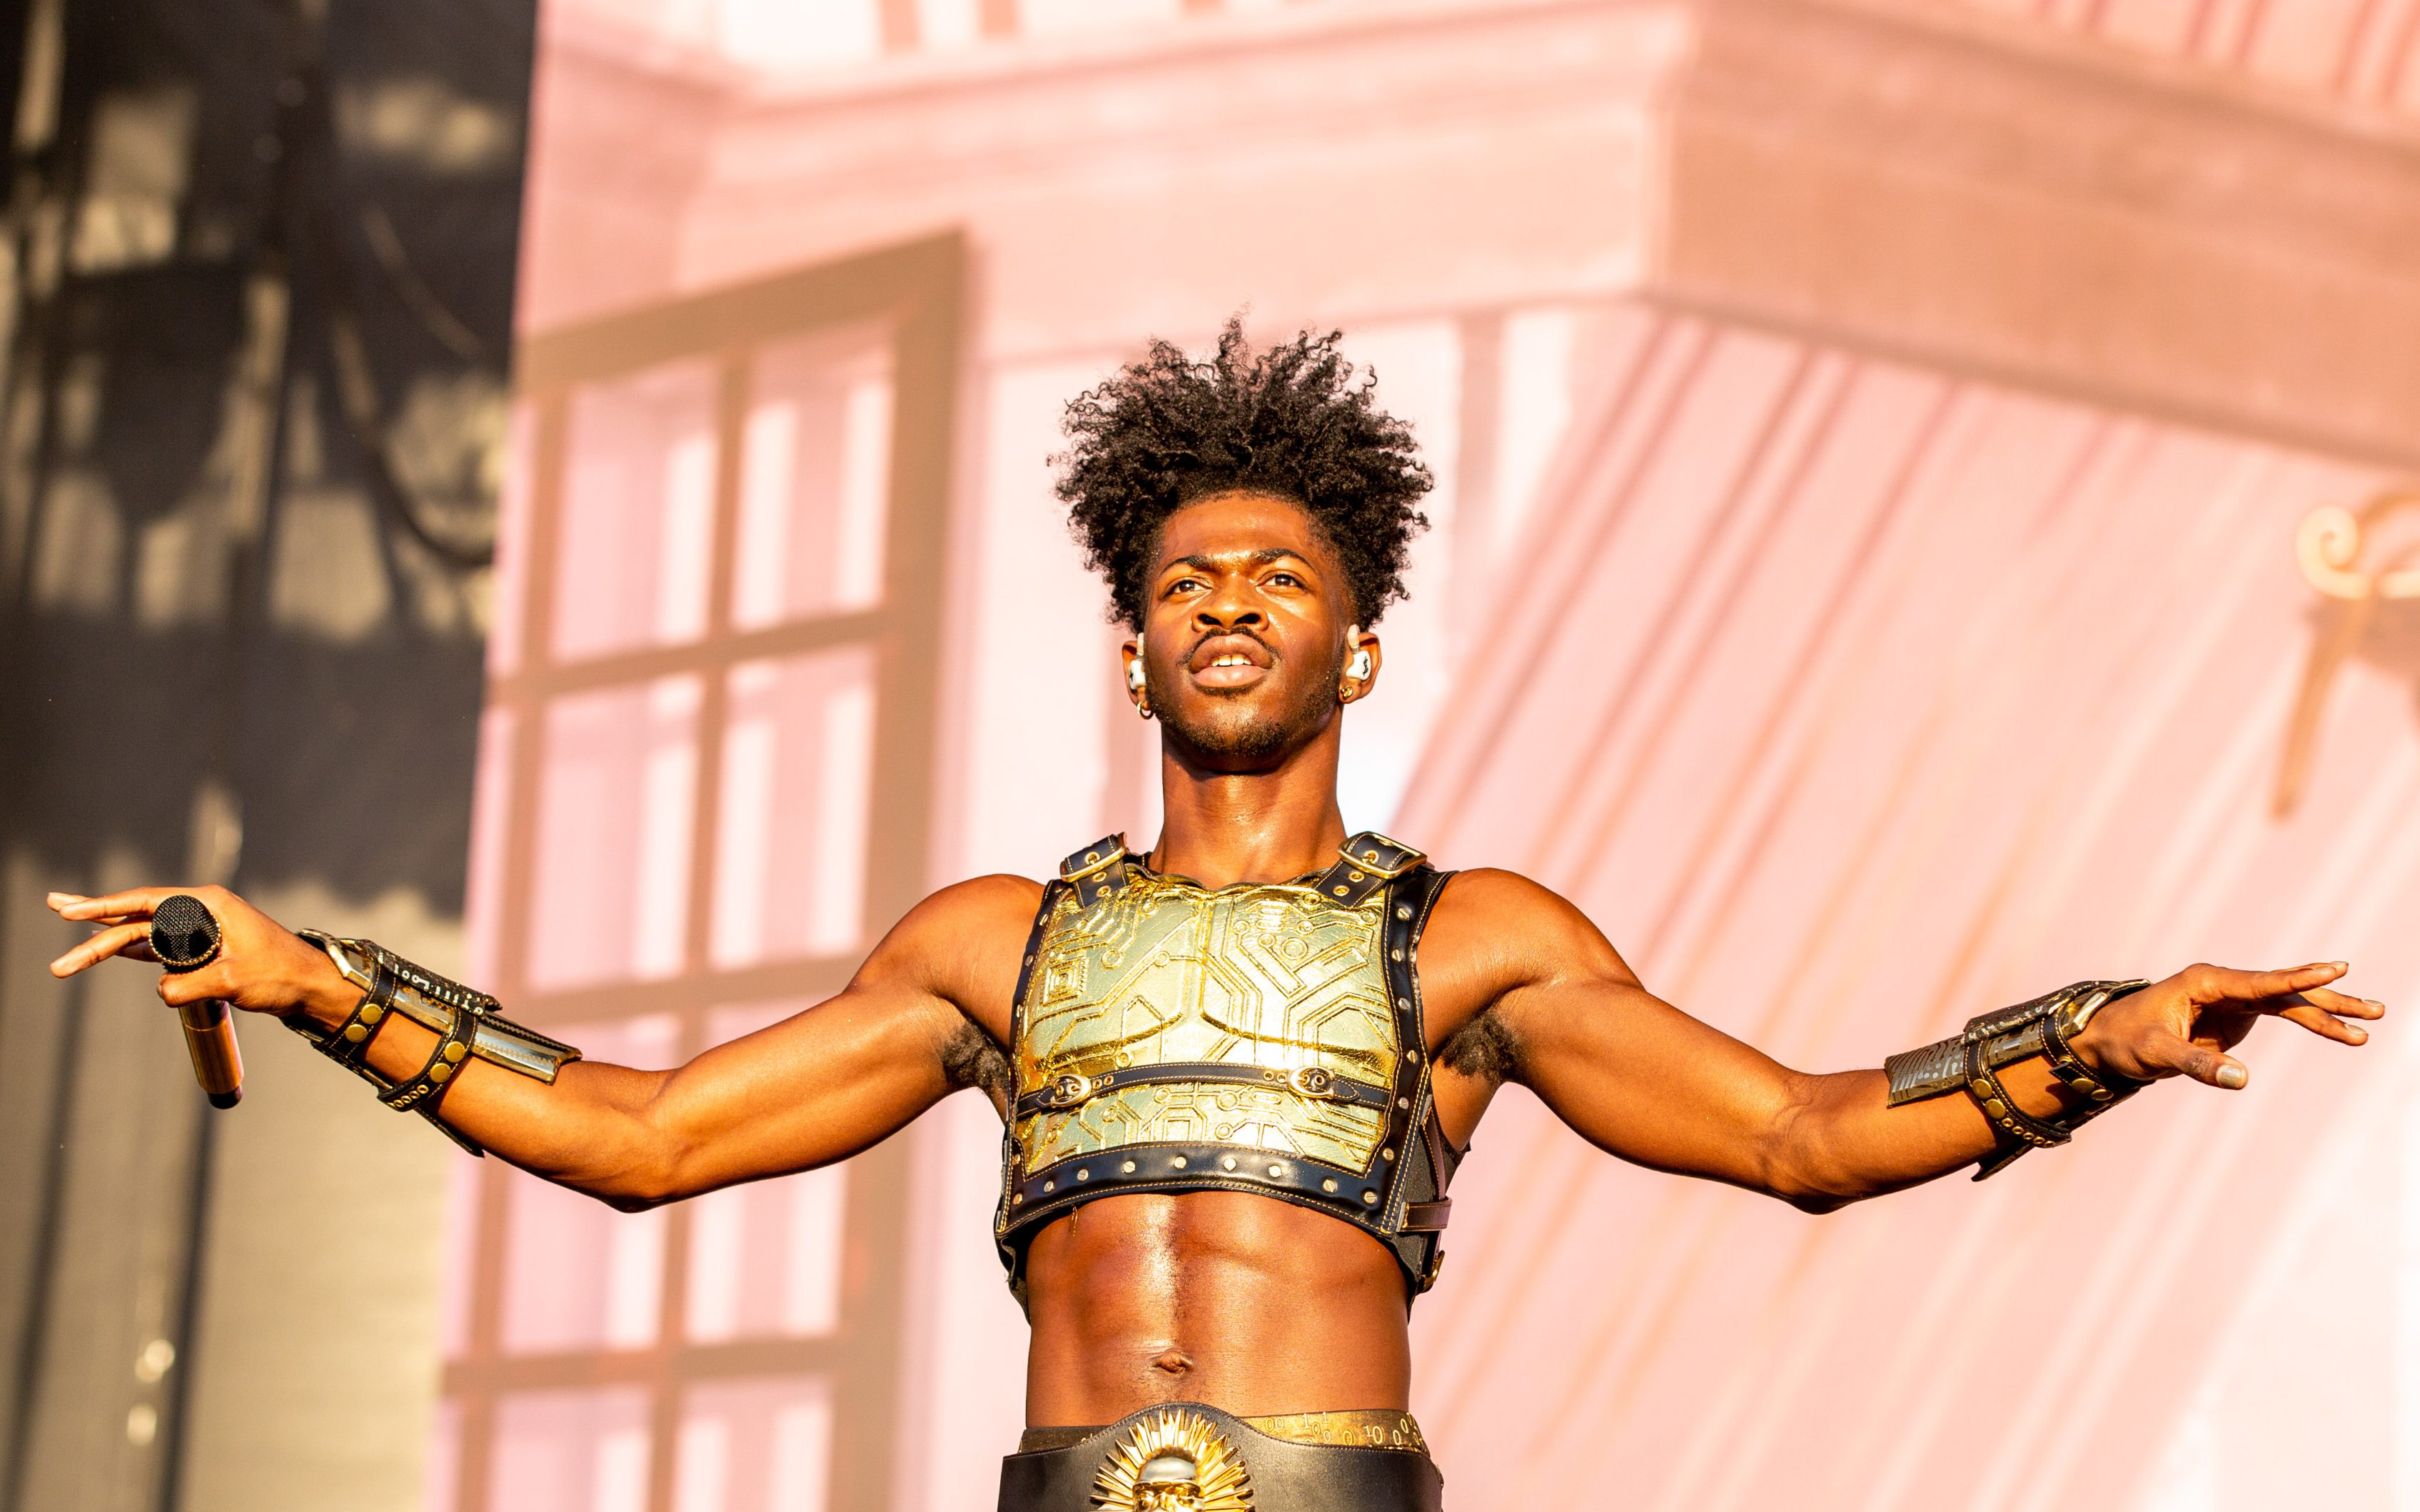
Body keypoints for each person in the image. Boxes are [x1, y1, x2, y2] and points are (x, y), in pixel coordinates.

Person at [49, 323, 2384, 1512]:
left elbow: (1790, 1128)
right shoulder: (991, 946)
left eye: (1284, 577)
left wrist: (2100, 1032)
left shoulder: (1474, 941)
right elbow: (651, 1140)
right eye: (1188, 582)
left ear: (1360, 642)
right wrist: (321, 976)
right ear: (1134, 644)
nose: (1232, 604)